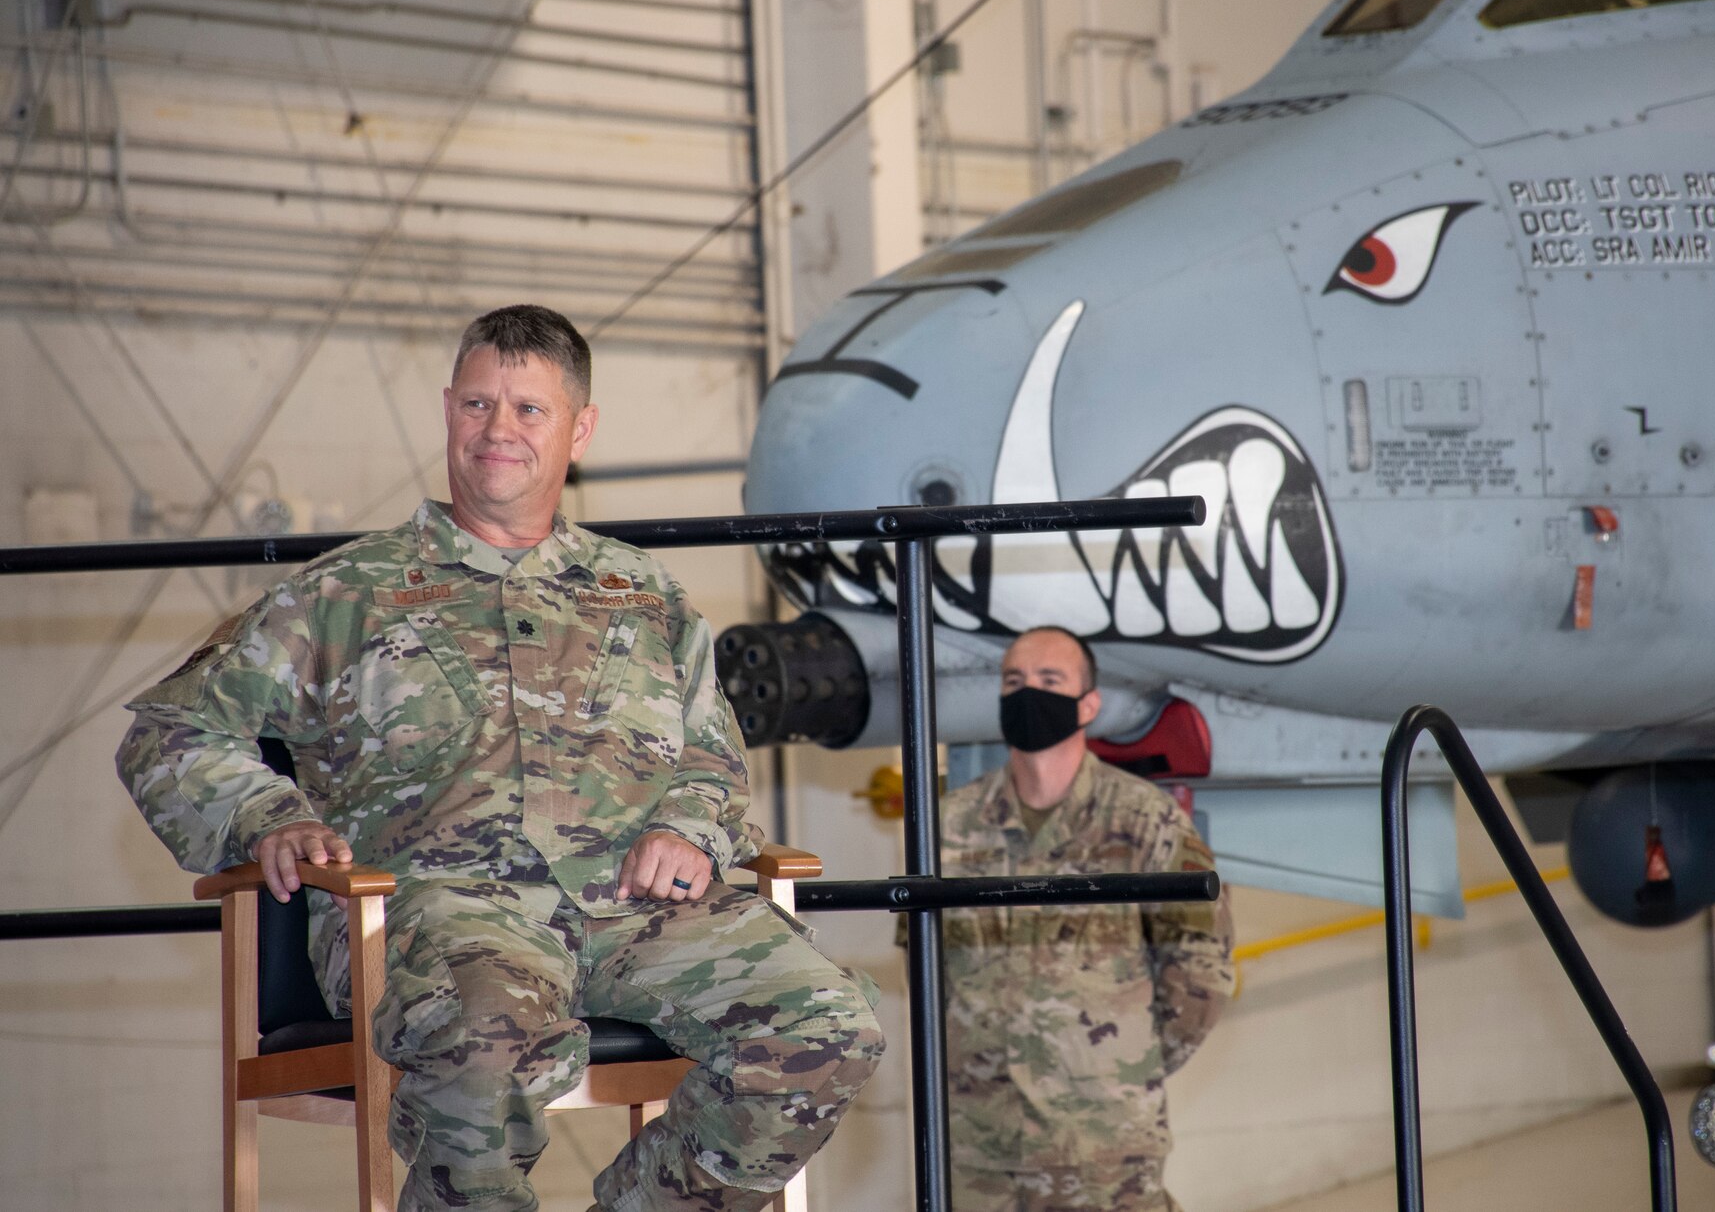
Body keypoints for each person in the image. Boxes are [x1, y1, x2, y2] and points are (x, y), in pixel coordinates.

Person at [116, 305, 883, 1212]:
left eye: (529, 409)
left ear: (580, 429)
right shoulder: (344, 593)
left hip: (640, 909)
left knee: (827, 1023)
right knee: (481, 1043)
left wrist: (687, 825)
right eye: (479, 405)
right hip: (444, 911)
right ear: (447, 410)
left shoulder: (644, 594)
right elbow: (167, 732)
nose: (498, 431)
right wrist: (266, 815)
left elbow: (713, 756)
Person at [938, 626, 1234, 1212]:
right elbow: (924, 969)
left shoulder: (1146, 819)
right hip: (981, 1144)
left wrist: (1123, 1065)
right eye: (1014, 682)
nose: (1029, 695)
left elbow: (1201, 973)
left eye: (1051, 682)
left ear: (1089, 705)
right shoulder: (949, 823)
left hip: (1104, 1145)